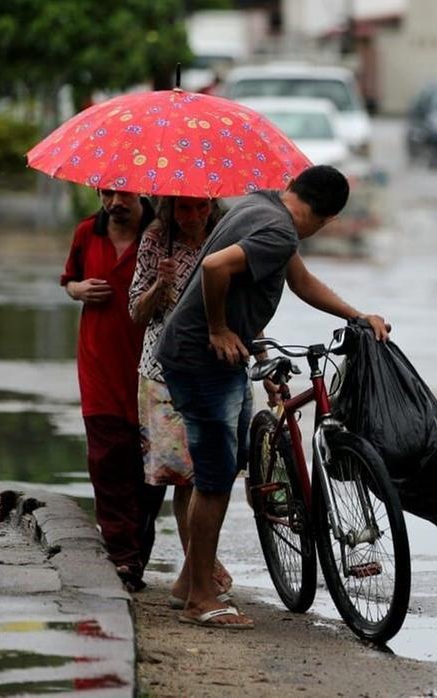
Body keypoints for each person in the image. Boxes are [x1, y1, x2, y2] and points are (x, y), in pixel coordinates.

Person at [156, 165, 390, 629]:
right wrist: (218, 329)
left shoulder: (262, 204)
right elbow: (214, 267)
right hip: (201, 359)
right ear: (328, 218)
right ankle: (200, 599)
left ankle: (189, 580)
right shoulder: (279, 231)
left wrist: (356, 315)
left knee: (224, 467)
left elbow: (301, 282)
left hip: (218, 358)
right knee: (214, 480)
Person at [128, 196, 234, 601]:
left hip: (215, 367)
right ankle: (198, 575)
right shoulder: (156, 239)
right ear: (170, 209)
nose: (193, 217)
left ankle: (194, 575)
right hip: (164, 373)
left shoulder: (225, 237)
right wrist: (161, 284)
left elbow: (239, 304)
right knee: (185, 475)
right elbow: (136, 312)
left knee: (209, 474)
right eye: (183, 209)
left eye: (200, 208)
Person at [61, 188, 158, 591]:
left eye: (124, 193)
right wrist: (79, 289)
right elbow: (69, 280)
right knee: (106, 459)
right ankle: (122, 557)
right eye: (107, 192)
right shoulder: (87, 232)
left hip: (151, 364)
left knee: (150, 467)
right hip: (98, 362)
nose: (115, 201)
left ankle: (136, 551)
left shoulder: (161, 234)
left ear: (142, 191)